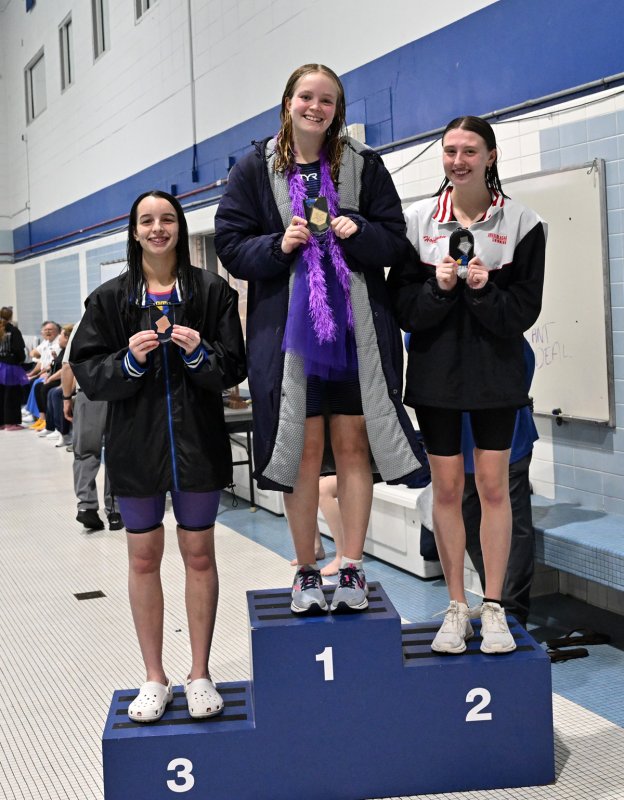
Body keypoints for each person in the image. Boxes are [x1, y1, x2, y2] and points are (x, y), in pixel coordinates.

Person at [215, 63, 427, 616]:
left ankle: (352, 566)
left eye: (327, 100)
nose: (316, 107)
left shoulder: (363, 165)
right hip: (291, 338)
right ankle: (306, 568)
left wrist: (359, 231)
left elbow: (395, 242)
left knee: (354, 446)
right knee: (302, 452)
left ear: (339, 109)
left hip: (356, 334)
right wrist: (277, 245)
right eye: (306, 96)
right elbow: (232, 246)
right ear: (287, 102)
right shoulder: (253, 170)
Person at [70, 190, 246, 722]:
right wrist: (127, 361)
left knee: (199, 557)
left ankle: (199, 674)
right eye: (147, 220)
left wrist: (198, 354)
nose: (157, 228)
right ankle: (154, 676)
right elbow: (90, 371)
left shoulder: (211, 292)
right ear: (134, 230)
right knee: (143, 559)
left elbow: (232, 366)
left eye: (167, 218)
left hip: (196, 445)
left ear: (179, 226)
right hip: (137, 449)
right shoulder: (108, 300)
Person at [388, 116, 546, 654]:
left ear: (491, 156)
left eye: (469, 151)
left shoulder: (523, 223)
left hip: (497, 379)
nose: (458, 160)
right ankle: (457, 607)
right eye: (450, 151)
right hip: (434, 379)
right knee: (449, 490)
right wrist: (437, 289)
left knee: (495, 489)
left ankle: (495, 607)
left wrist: (480, 291)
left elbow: (523, 310)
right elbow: (402, 306)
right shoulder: (417, 225)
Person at [462, 339, 538, 628]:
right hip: (461, 441)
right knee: (470, 519)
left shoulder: (499, 317)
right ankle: (495, 597)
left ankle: (512, 611)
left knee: (513, 524)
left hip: (509, 438)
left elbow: (524, 363)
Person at [62, 323, 122, 531]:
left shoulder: (81, 325)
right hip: (121, 393)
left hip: (88, 393)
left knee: (85, 451)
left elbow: (68, 365)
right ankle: (115, 511)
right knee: (117, 452)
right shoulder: (121, 318)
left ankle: (87, 507)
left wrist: (66, 398)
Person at [0, 307, 29, 430]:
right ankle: (10, 423)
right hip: (10, 366)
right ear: (11, 317)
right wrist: (20, 360)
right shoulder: (13, 331)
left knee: (1, 394)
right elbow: (19, 350)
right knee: (12, 394)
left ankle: (1, 423)